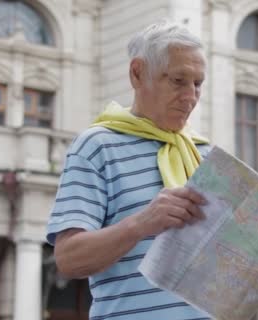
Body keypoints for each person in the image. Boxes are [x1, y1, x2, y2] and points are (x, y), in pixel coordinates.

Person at [46, 20, 213, 320]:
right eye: (178, 81)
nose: (190, 97)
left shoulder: (207, 156)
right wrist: (142, 223)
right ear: (138, 73)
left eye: (197, 83)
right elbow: (68, 259)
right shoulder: (97, 147)